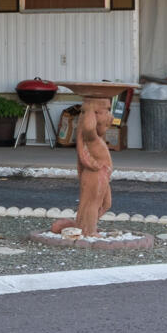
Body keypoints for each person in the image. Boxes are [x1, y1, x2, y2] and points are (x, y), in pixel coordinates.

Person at [52, 95, 114, 237]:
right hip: (95, 174)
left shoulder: (98, 138)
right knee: (93, 203)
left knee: (106, 204)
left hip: (103, 174)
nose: (109, 121)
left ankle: (83, 224)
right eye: (104, 113)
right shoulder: (90, 135)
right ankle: (89, 231)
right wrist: (90, 108)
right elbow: (88, 127)